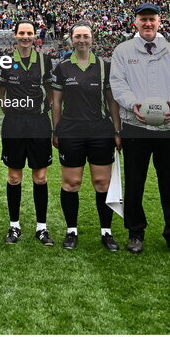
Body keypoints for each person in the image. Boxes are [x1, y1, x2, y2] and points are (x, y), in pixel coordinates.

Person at [109, 2, 170, 255]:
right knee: (135, 184)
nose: (148, 23)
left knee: (169, 184)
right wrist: (133, 104)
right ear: (135, 22)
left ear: (159, 22)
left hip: (167, 127)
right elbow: (117, 84)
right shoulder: (123, 51)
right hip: (135, 126)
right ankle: (135, 233)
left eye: (152, 19)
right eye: (143, 19)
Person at [51, 20, 122, 251]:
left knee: (102, 183)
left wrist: (117, 129)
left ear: (92, 39)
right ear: (71, 39)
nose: (82, 40)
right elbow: (56, 102)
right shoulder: (62, 67)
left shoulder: (104, 66)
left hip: (100, 131)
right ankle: (71, 231)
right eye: (77, 36)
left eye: (86, 36)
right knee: (72, 183)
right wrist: (56, 129)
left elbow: (112, 102)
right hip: (71, 131)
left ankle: (106, 231)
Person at [0, 20, 55, 245]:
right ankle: (14, 226)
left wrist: (42, 109)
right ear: (15, 35)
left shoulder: (45, 60)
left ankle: (42, 227)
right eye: (22, 33)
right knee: (14, 176)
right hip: (14, 124)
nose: (25, 37)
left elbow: (51, 92)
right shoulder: (7, 61)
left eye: (29, 33)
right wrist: (11, 111)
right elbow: (0, 92)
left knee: (40, 178)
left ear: (34, 36)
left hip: (39, 123)